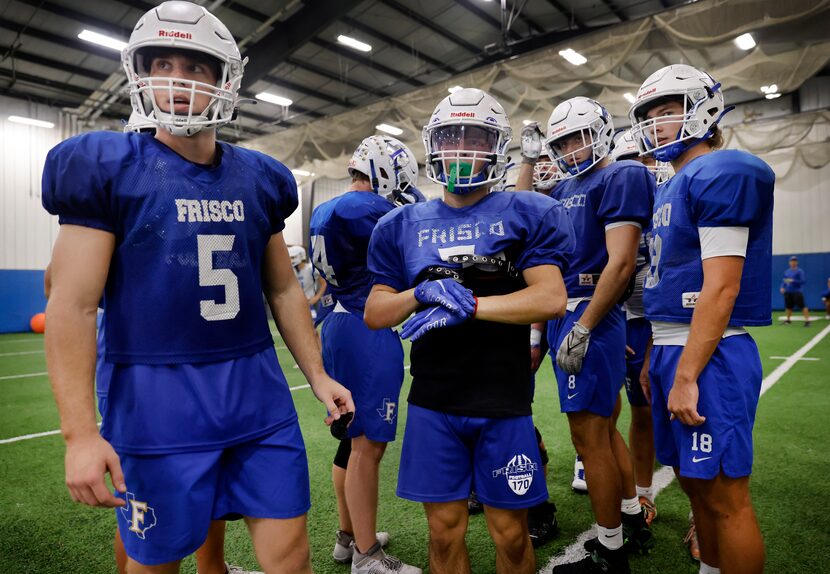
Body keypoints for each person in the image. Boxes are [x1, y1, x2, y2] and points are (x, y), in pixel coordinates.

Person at [41, 3, 353, 574]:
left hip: (256, 391)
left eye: (195, 67)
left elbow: (283, 291)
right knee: (155, 562)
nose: (177, 80)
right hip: (156, 398)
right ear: (138, 72)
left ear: (225, 79)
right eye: (162, 62)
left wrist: (318, 375)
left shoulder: (260, 177)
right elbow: (72, 305)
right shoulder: (109, 166)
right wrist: (80, 433)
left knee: (291, 559)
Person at [364, 88, 574, 574]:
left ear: (496, 147)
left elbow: (551, 297)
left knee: (513, 538)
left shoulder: (526, 211)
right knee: (442, 535)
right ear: (432, 144)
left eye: (475, 138)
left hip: (502, 400)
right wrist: (421, 294)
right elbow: (376, 312)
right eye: (450, 138)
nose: (461, 150)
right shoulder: (400, 224)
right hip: (434, 400)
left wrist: (473, 304)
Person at [630, 63, 774, 574]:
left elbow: (722, 286)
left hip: (709, 353)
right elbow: (667, 284)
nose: (656, 125)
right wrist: (655, 355)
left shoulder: (722, 170)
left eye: (667, 112)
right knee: (696, 488)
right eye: (648, 115)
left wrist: (687, 372)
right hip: (673, 346)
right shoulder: (672, 183)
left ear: (704, 110)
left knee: (724, 500)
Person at [543, 96, 655, 573]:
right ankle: (631, 519)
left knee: (588, 437)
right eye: (562, 141)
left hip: (585, 310)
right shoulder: (565, 184)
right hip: (567, 311)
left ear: (602, 131)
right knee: (604, 429)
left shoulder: (622, 174)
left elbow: (622, 262)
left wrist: (589, 325)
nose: (571, 149)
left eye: (577, 137)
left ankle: (610, 552)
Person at [309, 134, 424, 574]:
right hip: (365, 325)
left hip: (338, 322)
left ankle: (348, 537)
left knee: (351, 444)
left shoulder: (326, 208)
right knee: (367, 449)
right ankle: (366, 555)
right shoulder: (365, 207)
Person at [607, 128, 665, 526]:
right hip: (623, 320)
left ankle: (702, 512)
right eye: (628, 164)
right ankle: (639, 493)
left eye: (643, 161)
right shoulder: (612, 208)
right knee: (632, 414)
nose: (637, 173)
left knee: (673, 414)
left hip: (660, 324)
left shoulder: (669, 203)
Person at [780, 256, 810, 326]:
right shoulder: (787, 271)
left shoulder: (800, 271)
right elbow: (784, 281)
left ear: (797, 262)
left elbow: (803, 281)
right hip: (788, 292)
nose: (793, 262)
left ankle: (807, 321)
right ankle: (788, 320)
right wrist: (782, 287)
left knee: (802, 306)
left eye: (794, 261)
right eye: (792, 261)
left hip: (797, 291)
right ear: (789, 262)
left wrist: (793, 281)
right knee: (788, 307)